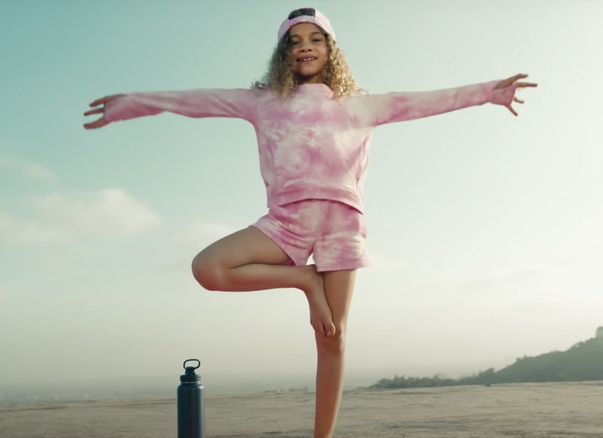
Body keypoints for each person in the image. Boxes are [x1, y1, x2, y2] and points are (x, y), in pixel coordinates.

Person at [84, 7, 536, 438]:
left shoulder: (362, 104)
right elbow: (198, 100)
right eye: (295, 41)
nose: (305, 47)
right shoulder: (264, 102)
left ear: (330, 48)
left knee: (332, 339)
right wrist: (129, 103)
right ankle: (302, 279)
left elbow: (426, 102)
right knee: (208, 268)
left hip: (342, 224)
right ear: (284, 53)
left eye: (315, 39)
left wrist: (490, 92)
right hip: (286, 222)